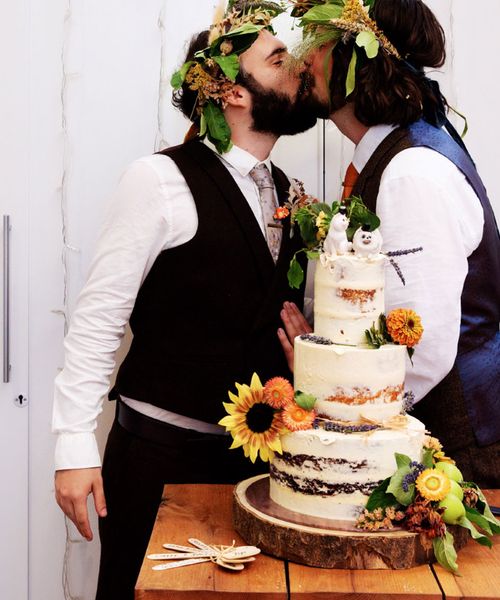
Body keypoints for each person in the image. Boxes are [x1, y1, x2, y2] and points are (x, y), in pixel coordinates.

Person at [52, 3, 318, 598]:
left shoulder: (293, 196)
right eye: (278, 60)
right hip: (158, 460)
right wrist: (72, 446)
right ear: (232, 92)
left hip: (258, 470)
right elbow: (99, 319)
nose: (296, 68)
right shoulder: (158, 181)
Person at [285, 0, 500, 485]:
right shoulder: (392, 156)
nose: (305, 59)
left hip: (459, 455)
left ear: (356, 60)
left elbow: (423, 346)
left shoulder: (410, 174)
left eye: (317, 43)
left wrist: (337, 405)